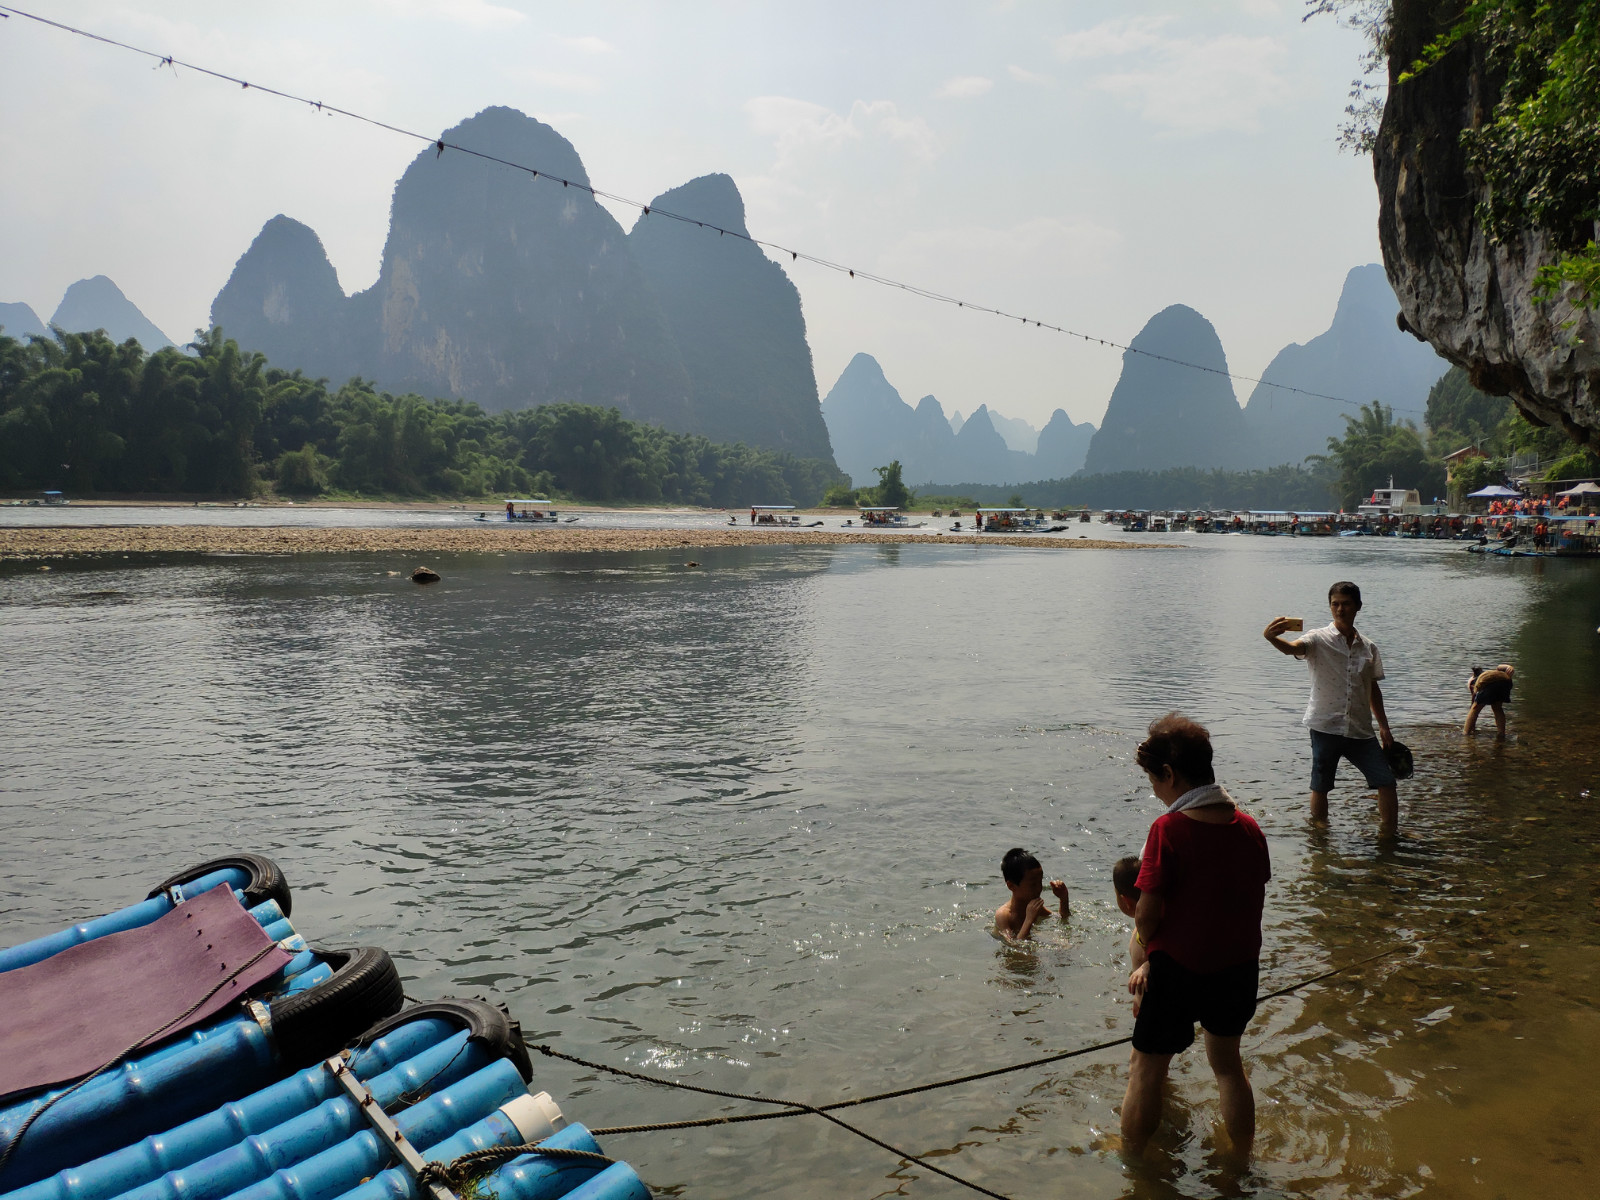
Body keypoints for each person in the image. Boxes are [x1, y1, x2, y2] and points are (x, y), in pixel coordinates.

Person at [1119, 714, 1269, 1161]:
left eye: (1154, 779)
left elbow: (1146, 914)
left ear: (1169, 774)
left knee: (1145, 1069)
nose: (1153, 790)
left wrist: (1144, 949)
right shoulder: (1249, 828)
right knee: (1227, 1068)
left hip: (1180, 969)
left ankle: (1131, 1164)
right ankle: (1241, 1161)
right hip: (1238, 969)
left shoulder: (1168, 830)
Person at [1263, 581, 1400, 833]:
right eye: (1335, 604)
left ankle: (1390, 834)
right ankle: (1319, 835)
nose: (1340, 609)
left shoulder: (1368, 647)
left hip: (1360, 730)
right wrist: (1273, 639)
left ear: (1358, 606)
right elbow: (1293, 648)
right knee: (1321, 785)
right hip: (1325, 725)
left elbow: (1373, 689)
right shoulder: (1318, 639)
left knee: (1386, 780)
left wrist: (1384, 727)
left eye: (1346, 604)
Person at [993, 848, 1069, 940]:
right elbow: (1013, 946)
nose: (1039, 889)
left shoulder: (1035, 906)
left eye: (1040, 882)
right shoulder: (1003, 915)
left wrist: (1063, 899)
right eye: (1033, 885)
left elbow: (1061, 918)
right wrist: (1029, 920)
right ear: (1011, 886)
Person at [1112, 856, 1147, 1014]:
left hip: (1153, 1005)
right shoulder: (1144, 922)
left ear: (1125, 900)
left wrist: (1147, 966)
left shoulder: (1147, 928)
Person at [1465, 663, 1514, 737]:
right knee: (1497, 708)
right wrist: (1508, 667)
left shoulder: (1473, 681)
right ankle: (1501, 734)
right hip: (1506, 682)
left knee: (1475, 708)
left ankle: (1466, 733)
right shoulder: (1491, 672)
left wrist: (1473, 728)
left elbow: (1473, 705)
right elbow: (1499, 667)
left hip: (1490, 682)